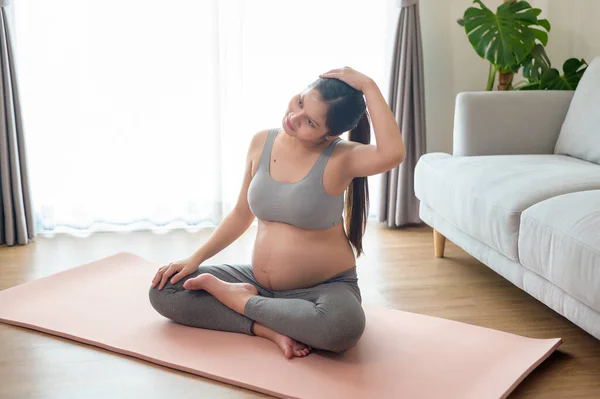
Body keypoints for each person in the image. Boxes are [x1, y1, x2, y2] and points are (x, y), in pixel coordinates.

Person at [149, 67, 406, 359]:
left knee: (342, 328)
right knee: (165, 291)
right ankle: (266, 326)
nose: (293, 118)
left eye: (310, 121)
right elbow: (240, 215)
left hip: (324, 290)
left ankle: (242, 304)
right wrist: (194, 259)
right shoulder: (262, 141)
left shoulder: (342, 157)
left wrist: (368, 85)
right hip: (258, 283)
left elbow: (392, 153)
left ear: (330, 134)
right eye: (300, 101)